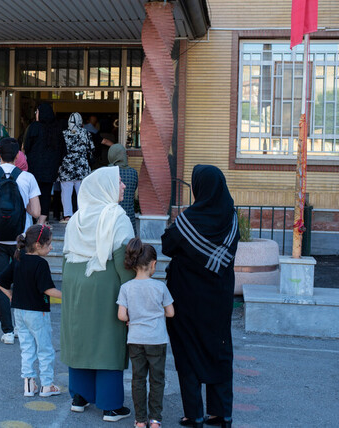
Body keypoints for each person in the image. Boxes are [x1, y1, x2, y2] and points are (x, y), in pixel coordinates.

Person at [161, 165, 239, 428]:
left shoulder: (189, 219)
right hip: (219, 297)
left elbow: (167, 244)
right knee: (219, 348)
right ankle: (221, 413)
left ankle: (194, 414)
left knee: (187, 350)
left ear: (198, 187)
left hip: (187, 297)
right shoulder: (232, 218)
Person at [60, 166, 135, 423]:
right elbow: (125, 261)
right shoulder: (117, 217)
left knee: (80, 336)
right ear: (105, 187)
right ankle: (111, 405)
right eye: (118, 182)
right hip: (105, 282)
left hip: (74, 282)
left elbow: (66, 257)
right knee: (107, 340)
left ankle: (80, 397)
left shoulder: (78, 218)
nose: (123, 186)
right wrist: (132, 295)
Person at [0, 138, 41, 344]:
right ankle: (24, 330)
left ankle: (7, 331)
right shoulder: (27, 177)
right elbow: (36, 212)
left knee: (1, 283)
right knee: (23, 283)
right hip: (21, 240)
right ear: (17, 155)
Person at [0, 224, 62, 398]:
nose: (51, 247)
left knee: (27, 348)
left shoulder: (19, 259)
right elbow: (48, 290)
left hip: (19, 311)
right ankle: (47, 385)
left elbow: (1, 281)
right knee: (45, 349)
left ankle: (28, 384)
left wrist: (11, 296)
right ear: (39, 245)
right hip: (37, 312)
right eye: (49, 244)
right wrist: (69, 296)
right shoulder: (41, 264)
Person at [117, 237, 175, 428]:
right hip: (157, 339)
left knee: (138, 379)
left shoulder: (126, 288)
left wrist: (132, 319)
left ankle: (140, 420)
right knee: (157, 380)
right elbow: (170, 312)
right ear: (153, 264)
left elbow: (122, 316)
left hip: (135, 339)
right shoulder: (160, 287)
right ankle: (155, 419)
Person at [24, 103, 66, 224]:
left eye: (37, 112)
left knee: (33, 193)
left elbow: (27, 146)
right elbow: (64, 150)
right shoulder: (57, 129)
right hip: (50, 168)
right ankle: (42, 221)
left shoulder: (34, 127)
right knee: (46, 194)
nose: (36, 114)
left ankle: (32, 219)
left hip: (34, 167)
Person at [58, 112, 94, 223]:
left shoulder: (63, 134)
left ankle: (67, 216)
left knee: (66, 193)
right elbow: (91, 149)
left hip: (66, 166)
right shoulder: (86, 133)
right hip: (81, 166)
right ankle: (82, 215)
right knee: (81, 192)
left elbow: (59, 150)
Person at [108, 144, 138, 231]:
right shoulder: (133, 173)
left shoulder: (108, 172)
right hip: (129, 218)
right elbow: (134, 189)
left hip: (112, 219)